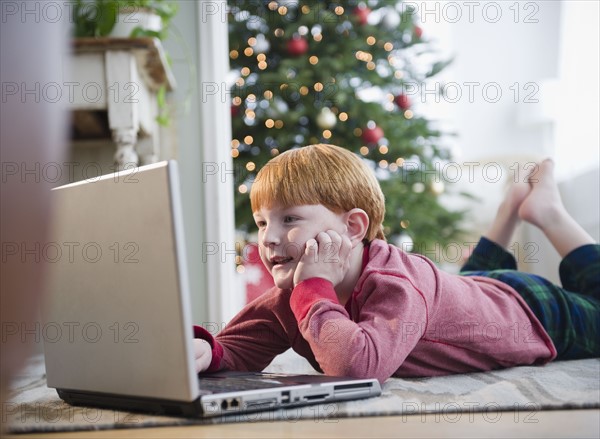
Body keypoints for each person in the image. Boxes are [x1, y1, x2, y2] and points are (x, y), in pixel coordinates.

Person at [192, 144, 599, 382]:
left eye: (290, 219)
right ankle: (509, 209)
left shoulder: (394, 281)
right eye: (263, 223)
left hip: (528, 310)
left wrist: (313, 290)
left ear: (353, 227)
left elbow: (357, 369)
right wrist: (209, 353)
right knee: (469, 282)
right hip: (467, 296)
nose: (269, 238)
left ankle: (547, 213)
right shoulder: (290, 294)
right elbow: (240, 346)